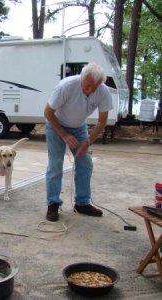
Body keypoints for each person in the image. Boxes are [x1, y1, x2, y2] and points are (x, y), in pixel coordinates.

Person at [44, 62, 113, 222]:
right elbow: (47, 112)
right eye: (87, 85)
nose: (89, 90)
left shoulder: (103, 92)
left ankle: (82, 203)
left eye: (93, 87)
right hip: (56, 125)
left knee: (85, 163)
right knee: (55, 165)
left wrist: (87, 142)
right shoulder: (66, 86)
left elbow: (101, 122)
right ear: (81, 77)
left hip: (79, 126)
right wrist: (64, 134)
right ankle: (53, 204)